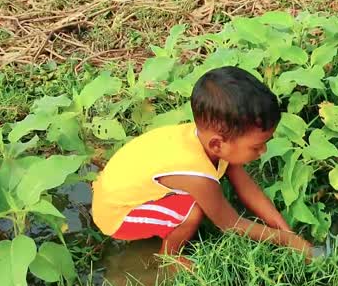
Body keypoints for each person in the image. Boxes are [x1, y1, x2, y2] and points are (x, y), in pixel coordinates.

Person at [91, 66, 314, 269]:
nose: (264, 151)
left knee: (196, 203)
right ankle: (168, 257)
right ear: (217, 144)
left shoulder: (213, 142)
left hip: (121, 184)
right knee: (192, 210)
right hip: (117, 213)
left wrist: (286, 231)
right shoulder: (197, 176)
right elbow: (229, 223)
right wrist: (286, 241)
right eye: (256, 146)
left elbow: (248, 189)